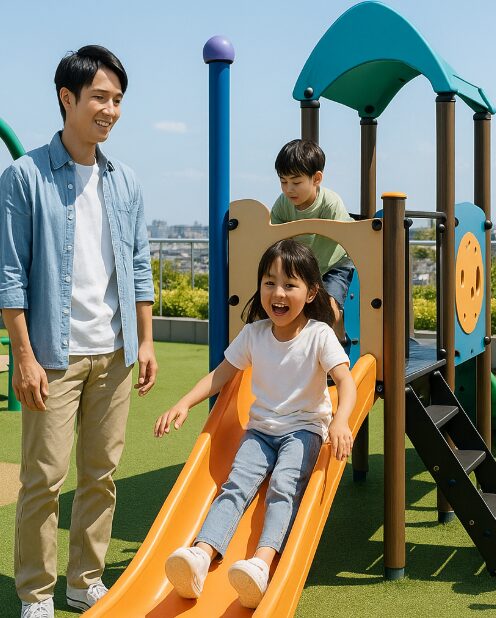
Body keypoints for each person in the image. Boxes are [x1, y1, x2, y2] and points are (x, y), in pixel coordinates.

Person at [0, 45, 157, 617]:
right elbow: (10, 273)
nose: (110, 110)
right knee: (44, 480)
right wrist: (24, 355)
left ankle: (83, 580)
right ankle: (36, 592)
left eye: (117, 100)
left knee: (101, 475)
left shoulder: (126, 181)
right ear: (67, 98)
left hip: (114, 353)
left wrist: (145, 340)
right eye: (100, 98)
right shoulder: (24, 176)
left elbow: (138, 264)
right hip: (52, 354)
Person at [154, 239, 356, 609]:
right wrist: (184, 402)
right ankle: (201, 555)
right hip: (261, 430)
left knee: (283, 486)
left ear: (311, 292)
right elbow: (221, 374)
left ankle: (261, 565)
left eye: (290, 285)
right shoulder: (255, 334)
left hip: (304, 429)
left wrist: (341, 420)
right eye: (269, 282)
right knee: (235, 485)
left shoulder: (318, 335)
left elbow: (346, 381)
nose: (278, 293)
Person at [271, 139, 354, 347]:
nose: (289, 189)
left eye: (296, 182)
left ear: (316, 178)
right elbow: (275, 237)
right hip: (305, 268)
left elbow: (348, 236)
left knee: (329, 308)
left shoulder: (330, 203)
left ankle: (339, 342)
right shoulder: (283, 204)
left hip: (335, 264)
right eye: (283, 181)